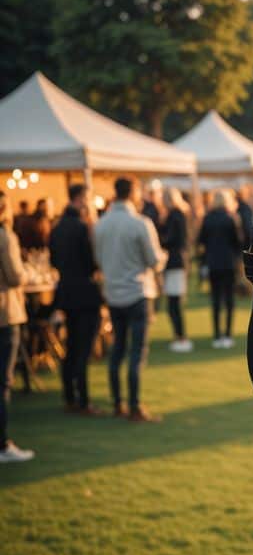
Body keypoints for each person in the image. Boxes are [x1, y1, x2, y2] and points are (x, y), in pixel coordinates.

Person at [94, 177, 165, 422]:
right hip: (137, 293)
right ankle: (134, 406)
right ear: (133, 192)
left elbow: (98, 259)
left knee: (117, 350)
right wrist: (162, 257)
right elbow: (154, 261)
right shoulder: (140, 223)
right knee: (136, 352)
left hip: (113, 294)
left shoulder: (100, 224)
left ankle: (117, 403)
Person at [49, 184, 103, 414]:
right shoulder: (82, 228)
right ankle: (83, 400)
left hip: (66, 293)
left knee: (71, 347)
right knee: (82, 349)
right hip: (85, 294)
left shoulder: (57, 227)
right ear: (80, 199)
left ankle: (69, 395)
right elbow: (92, 262)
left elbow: (54, 261)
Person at [0, 193, 33, 462]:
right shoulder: (5, 237)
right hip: (4, 314)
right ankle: (2, 444)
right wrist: (24, 273)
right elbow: (14, 276)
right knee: (3, 382)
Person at [197, 189, 240, 348]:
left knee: (215, 300)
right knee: (229, 300)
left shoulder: (207, 218)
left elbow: (201, 241)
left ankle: (217, 335)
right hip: (228, 264)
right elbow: (238, 241)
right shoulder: (231, 218)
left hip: (213, 263)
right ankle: (227, 335)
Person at [161, 187, 193, 353]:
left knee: (174, 303)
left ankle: (180, 336)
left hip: (175, 262)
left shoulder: (175, 215)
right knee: (174, 302)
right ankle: (179, 335)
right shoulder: (180, 214)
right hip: (178, 261)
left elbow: (172, 239)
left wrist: (160, 239)